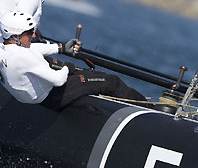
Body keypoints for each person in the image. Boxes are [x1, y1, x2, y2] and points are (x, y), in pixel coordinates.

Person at [0, 11, 146, 110]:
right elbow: (58, 80)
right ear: (15, 36)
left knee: (91, 75)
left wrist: (60, 48)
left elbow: (33, 49)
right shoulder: (24, 57)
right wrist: (67, 68)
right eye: (29, 32)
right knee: (111, 81)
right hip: (53, 96)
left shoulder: (5, 48)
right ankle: (149, 109)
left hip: (35, 95)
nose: (33, 36)